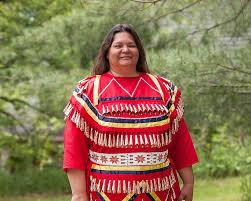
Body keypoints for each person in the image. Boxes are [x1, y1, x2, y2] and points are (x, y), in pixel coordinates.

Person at [63, 23, 198, 201]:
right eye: (118, 45)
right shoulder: (88, 91)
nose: (125, 50)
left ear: (139, 50)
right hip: (105, 194)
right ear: (106, 51)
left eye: (131, 45)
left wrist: (188, 182)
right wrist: (79, 194)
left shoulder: (164, 89)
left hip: (162, 192)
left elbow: (180, 140)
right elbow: (74, 148)